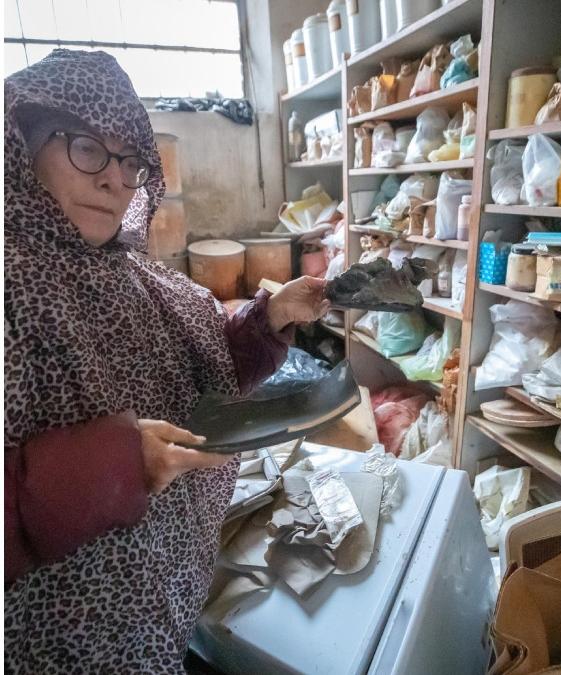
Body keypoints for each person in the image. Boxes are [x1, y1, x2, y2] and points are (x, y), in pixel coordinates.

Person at [4, 50, 329, 672]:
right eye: (86, 148)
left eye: (129, 159)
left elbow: (201, 375)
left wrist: (270, 318)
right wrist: (115, 465)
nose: (115, 179)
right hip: (68, 640)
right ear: (19, 143)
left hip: (161, 602)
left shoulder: (142, 278)